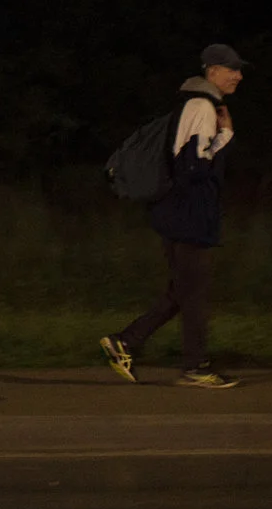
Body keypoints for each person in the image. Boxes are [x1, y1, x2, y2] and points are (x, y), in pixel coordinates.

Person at [102, 43, 246, 389]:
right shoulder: (201, 107)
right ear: (212, 71)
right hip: (189, 216)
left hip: (180, 214)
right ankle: (195, 366)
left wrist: (221, 135)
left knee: (183, 292)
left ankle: (125, 342)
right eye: (232, 69)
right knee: (193, 295)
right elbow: (195, 166)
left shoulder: (195, 104)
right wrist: (225, 136)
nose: (238, 76)